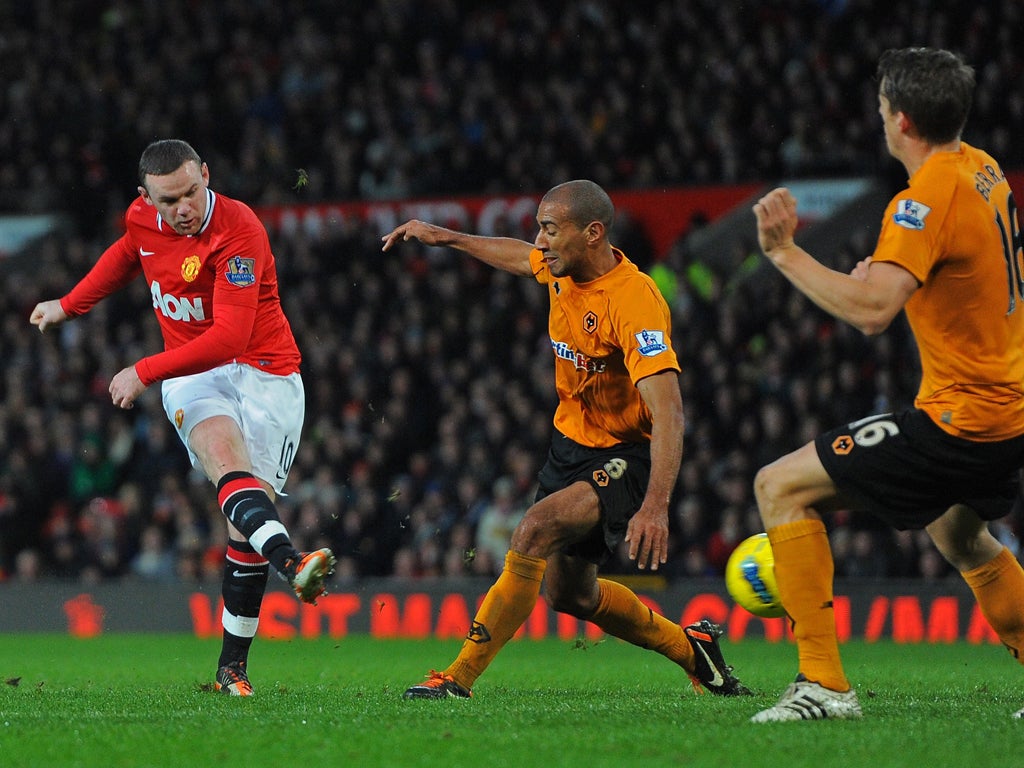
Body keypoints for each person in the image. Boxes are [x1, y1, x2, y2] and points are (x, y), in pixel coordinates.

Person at [381, 179, 750, 699]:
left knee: (533, 529)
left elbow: (669, 413)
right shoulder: (560, 269)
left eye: (550, 230)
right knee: (570, 595)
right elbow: (518, 256)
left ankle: (456, 678)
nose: (540, 241)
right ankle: (694, 650)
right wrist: (447, 237)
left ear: (592, 233)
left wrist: (655, 505)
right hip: (569, 445)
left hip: (626, 452)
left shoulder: (634, 301)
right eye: (540, 229)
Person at [750, 47, 1024, 722]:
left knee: (778, 487)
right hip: (1008, 411)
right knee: (959, 535)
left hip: (962, 421)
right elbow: (953, 269)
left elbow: (873, 313)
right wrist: (885, 273)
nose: (879, 120)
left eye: (880, 108)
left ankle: (823, 685)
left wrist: (785, 252)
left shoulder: (922, 199)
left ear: (901, 119)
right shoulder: (982, 168)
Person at [30, 139, 335, 696]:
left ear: (206, 176)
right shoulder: (141, 219)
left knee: (244, 527)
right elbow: (127, 253)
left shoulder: (239, 231)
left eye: (191, 192)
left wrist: (143, 370)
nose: (184, 208)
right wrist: (69, 305)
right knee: (224, 464)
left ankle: (231, 667)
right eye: (169, 200)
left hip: (265, 373)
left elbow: (230, 337)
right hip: (195, 374)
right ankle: (293, 564)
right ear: (146, 197)